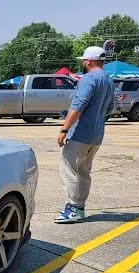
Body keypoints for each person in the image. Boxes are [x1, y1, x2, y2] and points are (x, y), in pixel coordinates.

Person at [55, 46, 115, 224]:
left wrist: (64, 129)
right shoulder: (108, 80)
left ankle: (73, 208)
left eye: (84, 60)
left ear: (89, 61)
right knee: (83, 171)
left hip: (80, 134)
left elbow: (78, 105)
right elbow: (110, 108)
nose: (83, 63)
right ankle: (79, 207)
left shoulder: (89, 79)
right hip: (96, 135)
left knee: (70, 170)